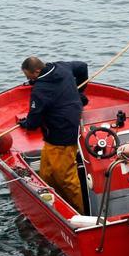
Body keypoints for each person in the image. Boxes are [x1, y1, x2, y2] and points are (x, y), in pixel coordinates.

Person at [18, 56, 89, 213]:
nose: (28, 79)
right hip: (60, 130)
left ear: (36, 71)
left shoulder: (41, 90)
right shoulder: (62, 67)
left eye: (29, 76)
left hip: (61, 135)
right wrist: (78, 91)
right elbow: (82, 66)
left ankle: (81, 212)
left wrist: (25, 123)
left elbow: (34, 121)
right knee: (47, 173)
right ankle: (53, 203)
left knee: (66, 179)